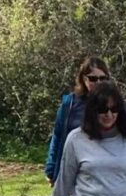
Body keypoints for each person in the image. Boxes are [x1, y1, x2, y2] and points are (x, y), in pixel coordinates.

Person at [45, 56, 112, 184]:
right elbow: (58, 135)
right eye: (93, 79)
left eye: (103, 78)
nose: (98, 82)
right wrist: (51, 168)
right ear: (83, 79)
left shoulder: (114, 105)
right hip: (72, 171)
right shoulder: (69, 104)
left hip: (103, 173)